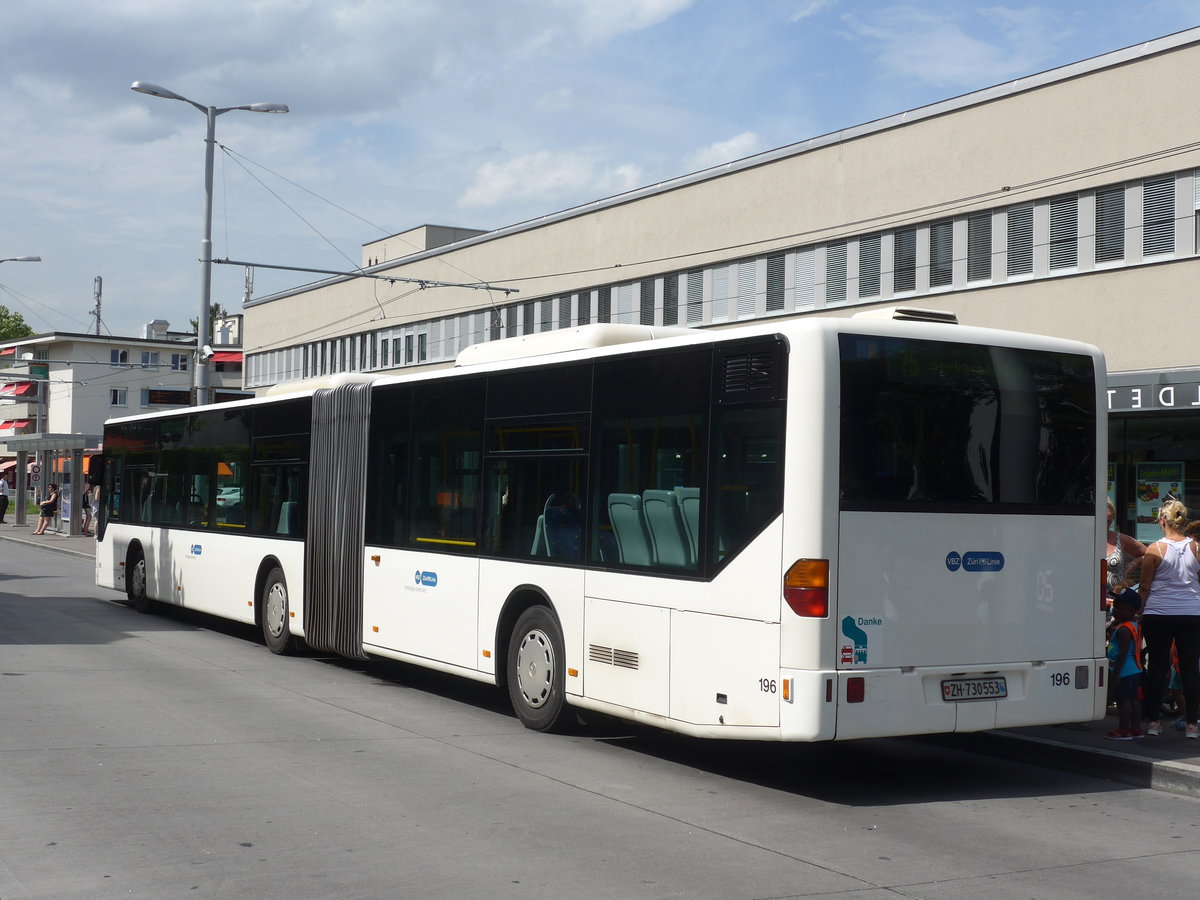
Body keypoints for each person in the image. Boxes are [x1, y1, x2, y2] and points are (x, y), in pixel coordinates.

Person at [1139, 499, 1200, 739]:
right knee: (1189, 669)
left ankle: (1153, 722)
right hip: (1191, 613)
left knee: (1157, 666)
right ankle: (1192, 725)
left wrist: (1140, 610)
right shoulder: (1196, 548)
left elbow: (1144, 585)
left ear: (1163, 520)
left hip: (1159, 613)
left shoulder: (1154, 549)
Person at [1105, 594, 1144, 740]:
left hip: (1124, 671)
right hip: (1135, 669)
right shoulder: (1134, 626)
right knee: (1134, 699)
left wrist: (1116, 674)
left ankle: (1123, 730)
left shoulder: (1123, 630)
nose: (1114, 610)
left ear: (1129, 610)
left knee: (1123, 701)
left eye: (1118, 608)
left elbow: (1122, 654)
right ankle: (1136, 729)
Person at [1105, 499, 1145, 612]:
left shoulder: (1119, 539)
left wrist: (1131, 565)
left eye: (1108, 521)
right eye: (1101, 520)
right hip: (1090, 599)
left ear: (1112, 520)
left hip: (1117, 604)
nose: (1104, 524)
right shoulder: (1083, 540)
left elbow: (1149, 554)